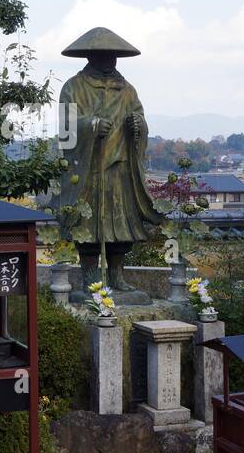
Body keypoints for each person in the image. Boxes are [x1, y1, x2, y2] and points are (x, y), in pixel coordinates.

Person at [56, 27, 164, 299]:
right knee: (88, 226)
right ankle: (90, 280)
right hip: (88, 172)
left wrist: (138, 125)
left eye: (113, 55)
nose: (109, 60)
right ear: (90, 56)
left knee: (122, 225)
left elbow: (140, 118)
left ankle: (117, 276)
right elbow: (66, 127)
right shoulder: (74, 87)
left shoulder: (127, 90)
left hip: (120, 169)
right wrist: (90, 125)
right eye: (103, 55)